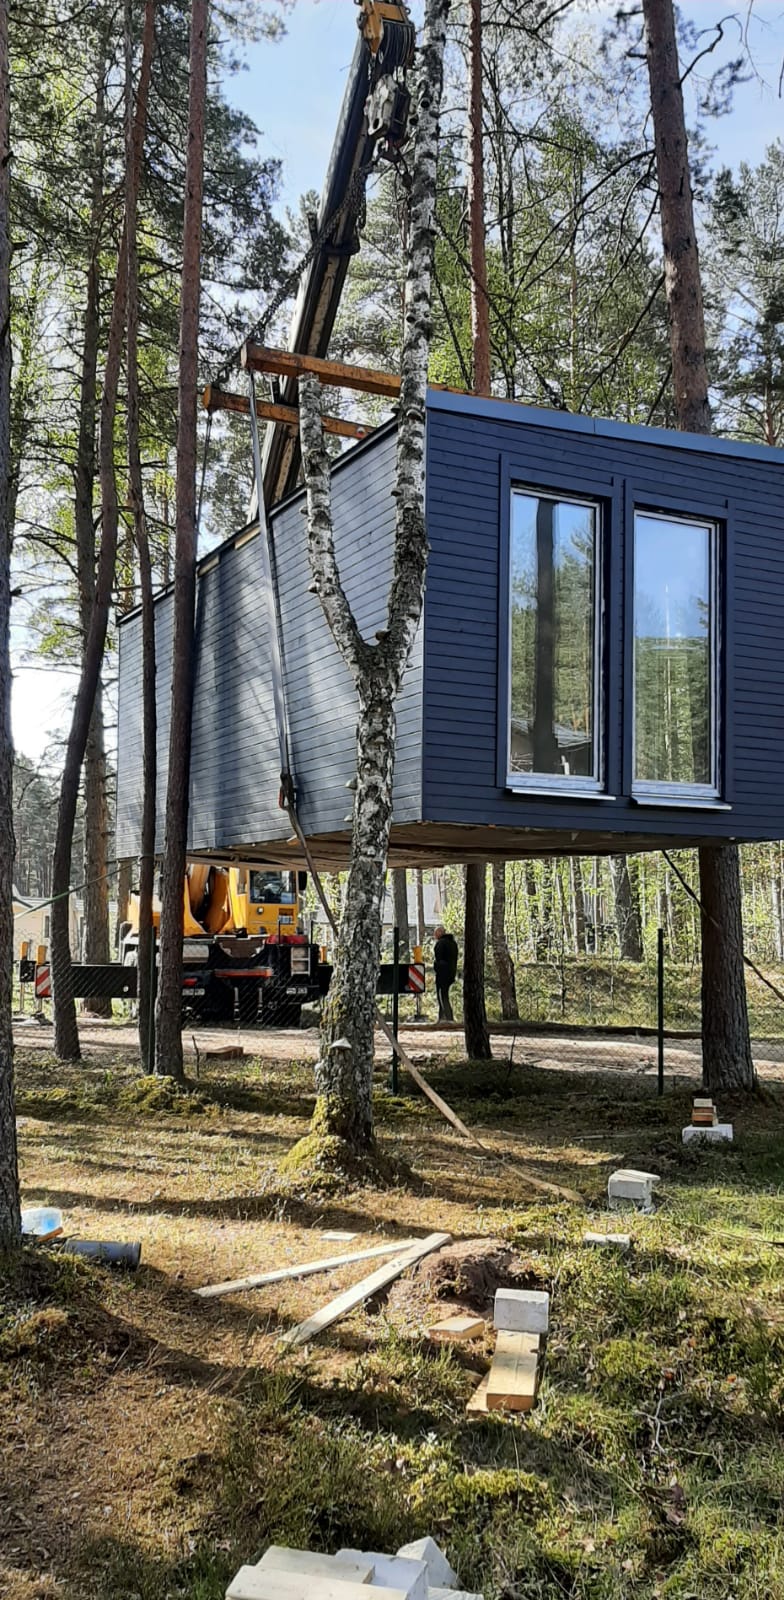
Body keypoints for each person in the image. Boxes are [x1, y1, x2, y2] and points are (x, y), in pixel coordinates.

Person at [433, 924, 458, 1022]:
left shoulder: (440, 944)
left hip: (442, 974)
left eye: (435, 933)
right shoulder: (453, 943)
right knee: (444, 995)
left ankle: (447, 1017)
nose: (434, 936)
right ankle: (442, 1017)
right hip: (451, 973)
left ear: (440, 933)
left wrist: (436, 967)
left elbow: (439, 959)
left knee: (442, 996)